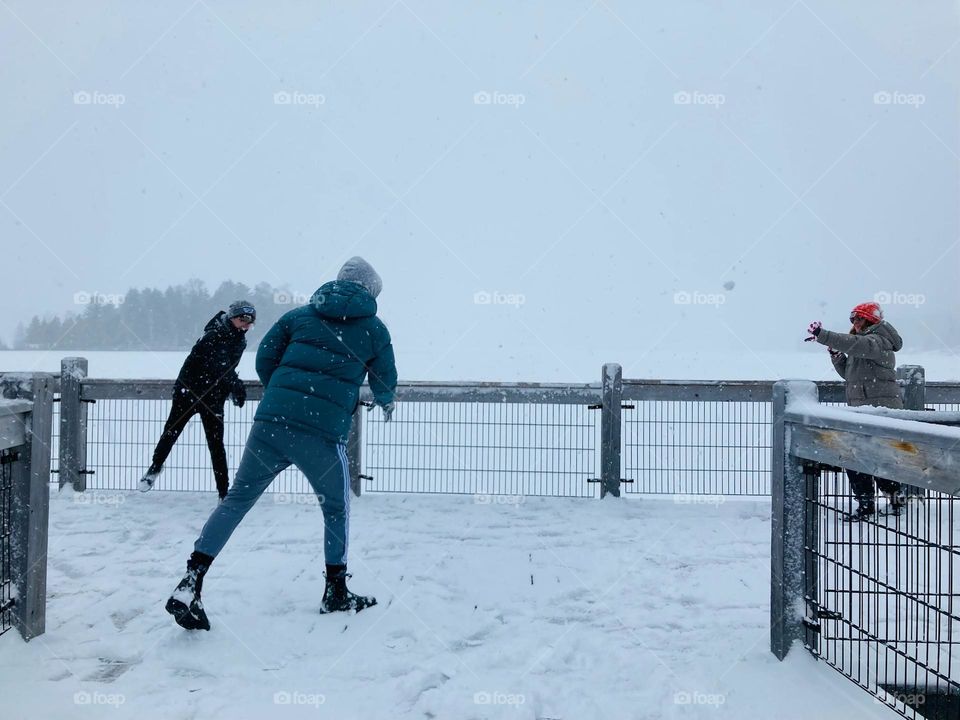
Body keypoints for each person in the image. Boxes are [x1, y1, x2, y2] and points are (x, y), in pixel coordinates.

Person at [165, 257, 397, 630]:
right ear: (370, 291)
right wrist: (384, 402)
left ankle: (191, 580)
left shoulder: (300, 316)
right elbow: (385, 381)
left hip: (271, 424)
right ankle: (335, 590)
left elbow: (265, 357)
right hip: (321, 434)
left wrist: (283, 393)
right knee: (336, 508)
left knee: (237, 501)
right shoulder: (374, 329)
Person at [139, 301, 254, 500]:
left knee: (216, 444)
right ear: (232, 317)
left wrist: (232, 387)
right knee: (171, 432)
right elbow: (218, 363)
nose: (246, 325)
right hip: (188, 393)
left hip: (213, 398)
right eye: (243, 319)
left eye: (250, 322)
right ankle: (155, 467)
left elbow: (228, 368)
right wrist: (235, 383)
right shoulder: (213, 334)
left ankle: (223, 493)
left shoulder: (240, 341)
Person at [806, 301, 906, 520]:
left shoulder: (877, 341)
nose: (855, 323)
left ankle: (889, 503)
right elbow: (850, 375)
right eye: (853, 319)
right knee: (861, 458)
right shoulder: (864, 343)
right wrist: (836, 355)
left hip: (880, 413)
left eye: (858, 318)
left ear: (870, 319)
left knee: (872, 459)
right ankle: (878, 503)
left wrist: (824, 335)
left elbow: (851, 343)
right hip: (864, 412)